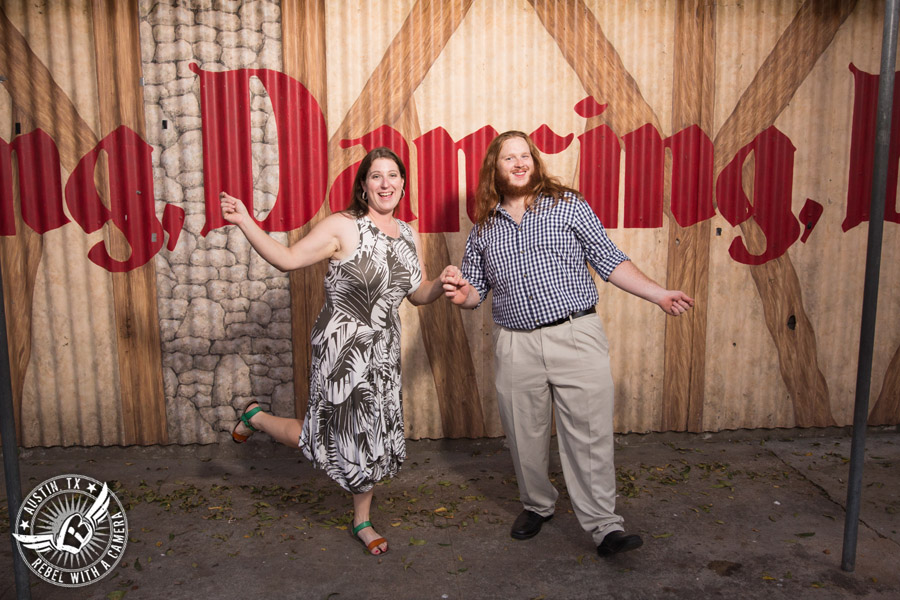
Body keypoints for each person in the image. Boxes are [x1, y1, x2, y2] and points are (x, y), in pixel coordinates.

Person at [441, 131, 694, 557]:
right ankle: (537, 506)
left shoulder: (568, 206)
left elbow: (610, 260)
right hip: (515, 344)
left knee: (590, 434)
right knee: (524, 435)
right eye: (509, 158)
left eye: (525, 156)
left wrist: (659, 294)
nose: (519, 163)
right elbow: (474, 294)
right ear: (495, 170)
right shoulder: (483, 229)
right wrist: (459, 292)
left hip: (575, 334)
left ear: (535, 163)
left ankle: (604, 526)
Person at [223, 147, 450, 556]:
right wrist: (245, 222)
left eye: (393, 175)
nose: (386, 183)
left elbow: (416, 294)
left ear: (403, 184)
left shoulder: (408, 234)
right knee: (327, 436)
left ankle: (358, 516)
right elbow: (288, 259)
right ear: (363, 186)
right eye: (376, 176)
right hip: (342, 350)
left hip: (383, 352)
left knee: (371, 435)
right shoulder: (345, 226)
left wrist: (444, 286)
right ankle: (258, 420)